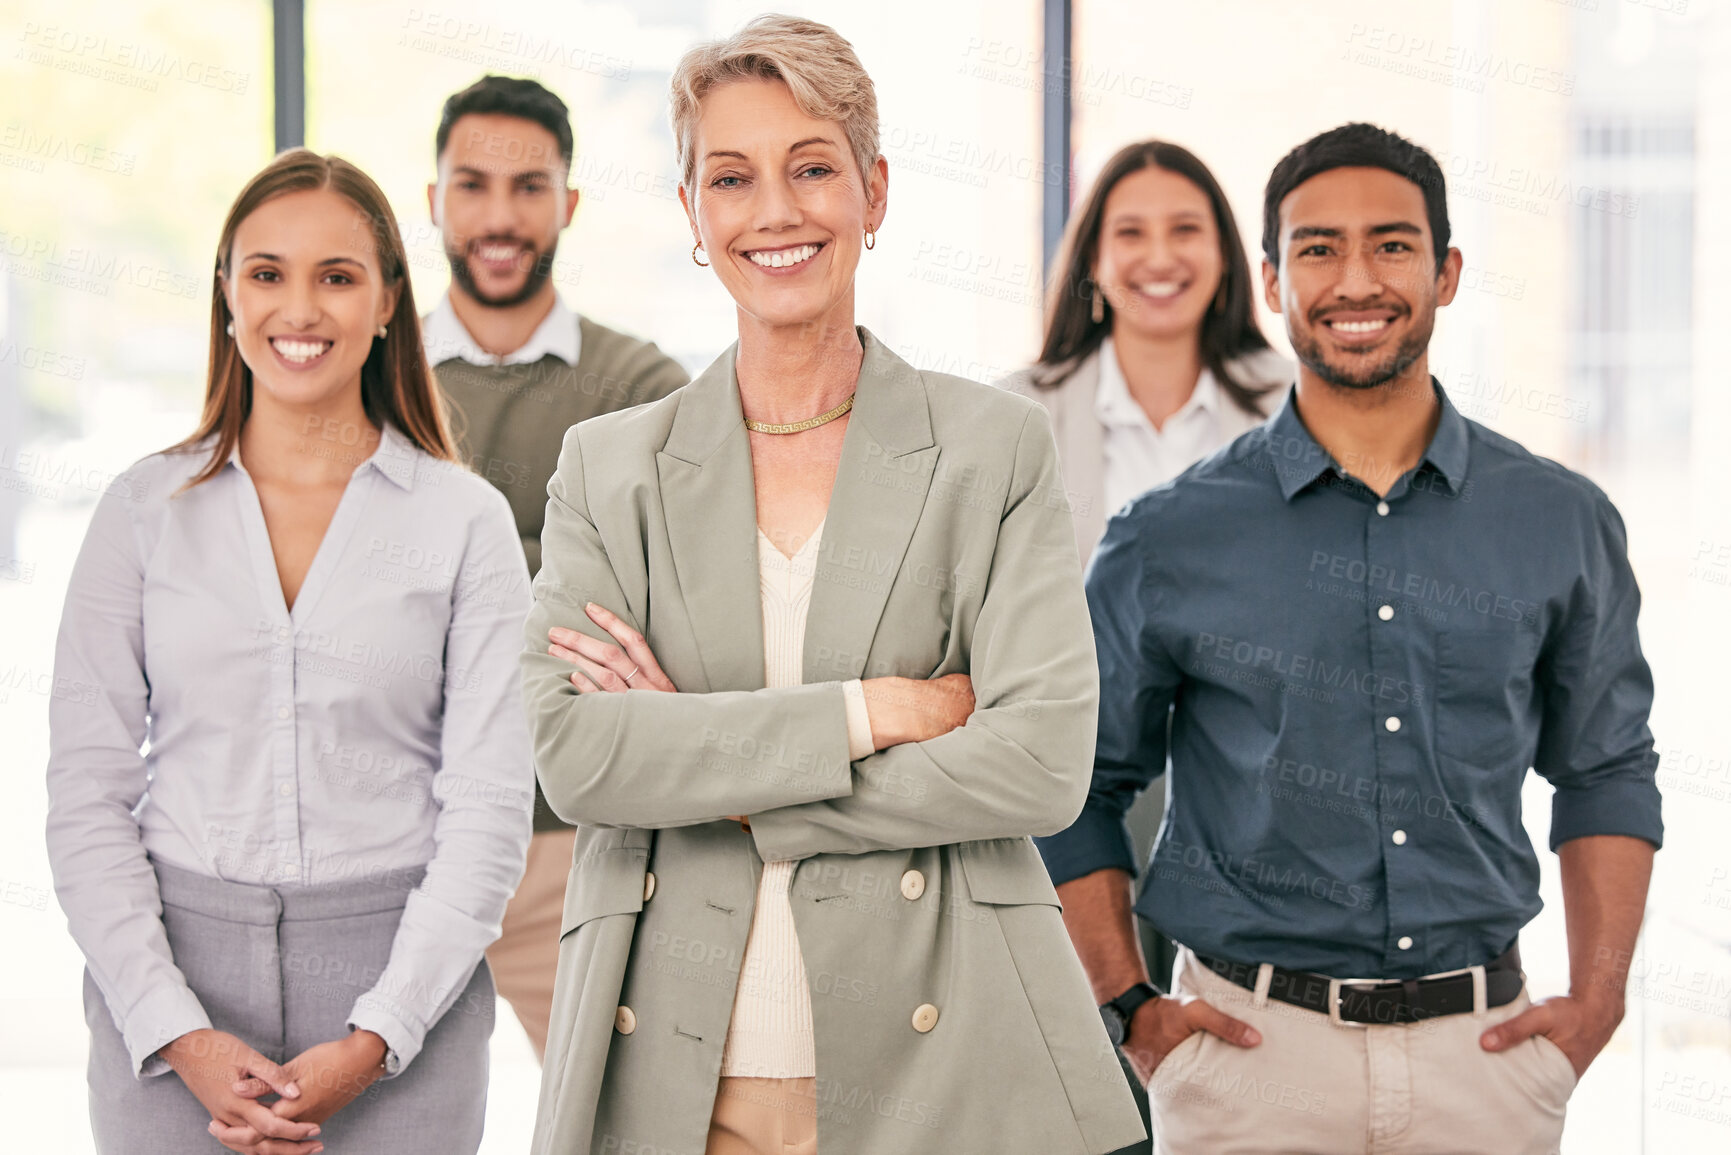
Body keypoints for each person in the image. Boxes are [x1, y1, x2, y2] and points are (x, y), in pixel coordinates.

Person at [522, 15, 1144, 1155]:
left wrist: (713, 766)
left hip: (947, 1059)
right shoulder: (611, 470)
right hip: (670, 1065)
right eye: (731, 177)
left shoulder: (990, 448)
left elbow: (1041, 763)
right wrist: (875, 713)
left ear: (875, 189)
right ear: (693, 215)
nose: (777, 211)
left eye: (813, 167)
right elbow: (579, 757)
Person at [1038, 121, 1661, 1155]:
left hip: (1488, 1064)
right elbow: (1073, 785)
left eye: (1393, 245)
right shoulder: (1168, 536)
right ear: (1275, 281)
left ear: (1446, 272)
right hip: (1243, 1066)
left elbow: (1607, 770)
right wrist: (1129, 1009)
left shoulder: (1560, 521)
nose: (1355, 279)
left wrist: (1596, 1005)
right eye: (1319, 249)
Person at [46, 149, 534, 1154]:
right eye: (267, 273)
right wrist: (178, 1032)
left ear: (390, 300)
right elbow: (86, 797)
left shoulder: (464, 523)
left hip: (407, 996)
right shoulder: (141, 513)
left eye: (338, 276)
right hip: (172, 996)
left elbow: (488, 806)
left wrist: (378, 1036)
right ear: (228, 292)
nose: (299, 309)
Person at [1001, 143, 1290, 1152]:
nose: (1158, 256)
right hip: (1067, 790)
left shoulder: (1299, 405)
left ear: (1228, 258)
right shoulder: (1015, 417)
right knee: (1095, 1072)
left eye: (1185, 229)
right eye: (1130, 231)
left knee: (1242, 1073)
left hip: (1253, 802)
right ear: (1091, 259)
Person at [423, 73, 689, 1062]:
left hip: (573, 840)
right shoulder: (370, 372)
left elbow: (669, 587)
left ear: (568, 204)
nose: (500, 217)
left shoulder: (640, 388)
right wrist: (562, 558)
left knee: (625, 1119)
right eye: (474, 185)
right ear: (436, 202)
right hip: (395, 843)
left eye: (529, 187)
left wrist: (446, 564)